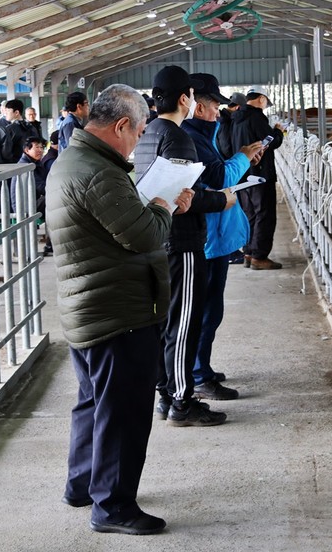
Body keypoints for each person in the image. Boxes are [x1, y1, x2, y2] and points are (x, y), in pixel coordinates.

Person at [46, 83, 192, 536]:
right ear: (122, 125)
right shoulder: (99, 172)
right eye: (140, 131)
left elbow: (117, 223)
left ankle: (83, 485)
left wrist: (155, 208)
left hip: (91, 305)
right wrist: (164, 208)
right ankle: (112, 505)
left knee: (94, 403)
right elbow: (143, 235)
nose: (139, 139)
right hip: (117, 311)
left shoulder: (75, 160)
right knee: (124, 413)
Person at [134, 65, 232, 425]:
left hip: (157, 239)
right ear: (183, 99)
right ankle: (181, 401)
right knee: (184, 322)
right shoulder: (178, 137)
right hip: (182, 241)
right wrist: (222, 200)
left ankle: (166, 394)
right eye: (191, 96)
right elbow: (182, 198)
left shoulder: (149, 132)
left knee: (166, 321)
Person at [184, 74, 264, 397]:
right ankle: (198, 375)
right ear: (199, 107)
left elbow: (220, 172)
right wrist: (242, 156)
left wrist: (241, 159)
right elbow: (219, 178)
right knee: (205, 311)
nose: (219, 111)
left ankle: (201, 367)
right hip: (208, 237)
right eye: (215, 105)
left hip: (215, 235)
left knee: (210, 309)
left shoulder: (205, 134)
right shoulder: (192, 137)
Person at [231, 86, 285, 270]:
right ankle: (259, 256)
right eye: (265, 102)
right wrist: (278, 132)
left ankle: (248, 252)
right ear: (262, 99)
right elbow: (270, 142)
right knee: (264, 214)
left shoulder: (236, 118)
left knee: (250, 214)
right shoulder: (256, 117)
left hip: (242, 174)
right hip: (260, 175)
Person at [11, 135, 47, 218]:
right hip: (24, 208)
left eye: (41, 147)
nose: (40, 150)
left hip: (33, 202)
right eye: (37, 147)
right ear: (27, 150)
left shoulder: (36, 163)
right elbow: (42, 187)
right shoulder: (25, 167)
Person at [0, 99, 37, 163]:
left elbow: (5, 152)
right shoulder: (31, 127)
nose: (5, 113)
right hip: (31, 163)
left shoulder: (10, 129)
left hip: (15, 165)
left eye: (8, 111)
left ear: (16, 112)